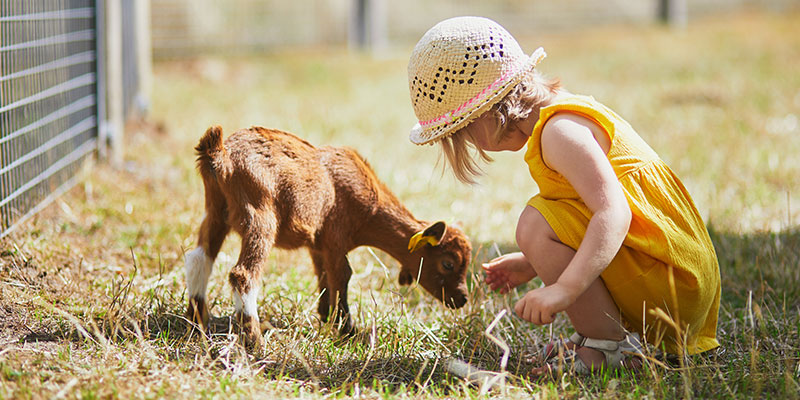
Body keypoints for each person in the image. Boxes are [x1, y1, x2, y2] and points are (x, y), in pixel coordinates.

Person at [406, 16, 721, 375]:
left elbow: (615, 213)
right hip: (672, 277)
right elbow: (588, 211)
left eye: (465, 131)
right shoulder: (560, 115)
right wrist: (531, 262)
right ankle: (608, 339)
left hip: (673, 288)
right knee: (539, 227)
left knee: (534, 224)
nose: (476, 146)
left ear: (491, 108)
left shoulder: (559, 133)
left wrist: (566, 289)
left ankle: (606, 348)